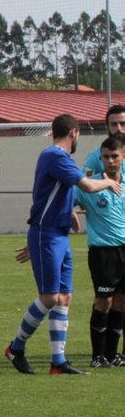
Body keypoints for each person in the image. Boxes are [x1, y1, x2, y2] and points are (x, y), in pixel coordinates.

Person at [5, 115, 122, 375]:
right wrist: (110, 182)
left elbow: (59, 192)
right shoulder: (54, 155)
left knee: (64, 298)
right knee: (49, 297)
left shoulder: (63, 160)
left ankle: (58, 362)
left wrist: (68, 211)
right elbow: (88, 185)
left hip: (58, 235)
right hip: (47, 235)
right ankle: (16, 347)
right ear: (74, 132)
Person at [73, 134, 125, 367]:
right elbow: (67, 199)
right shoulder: (90, 184)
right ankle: (97, 356)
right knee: (103, 301)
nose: (110, 161)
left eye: (115, 156)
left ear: (123, 157)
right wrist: (70, 211)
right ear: (101, 158)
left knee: (121, 301)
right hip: (103, 252)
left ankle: (113, 355)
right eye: (106, 157)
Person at [82, 104, 125, 176]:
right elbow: (84, 184)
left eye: (123, 124)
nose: (119, 128)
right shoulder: (95, 158)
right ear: (107, 127)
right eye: (114, 124)